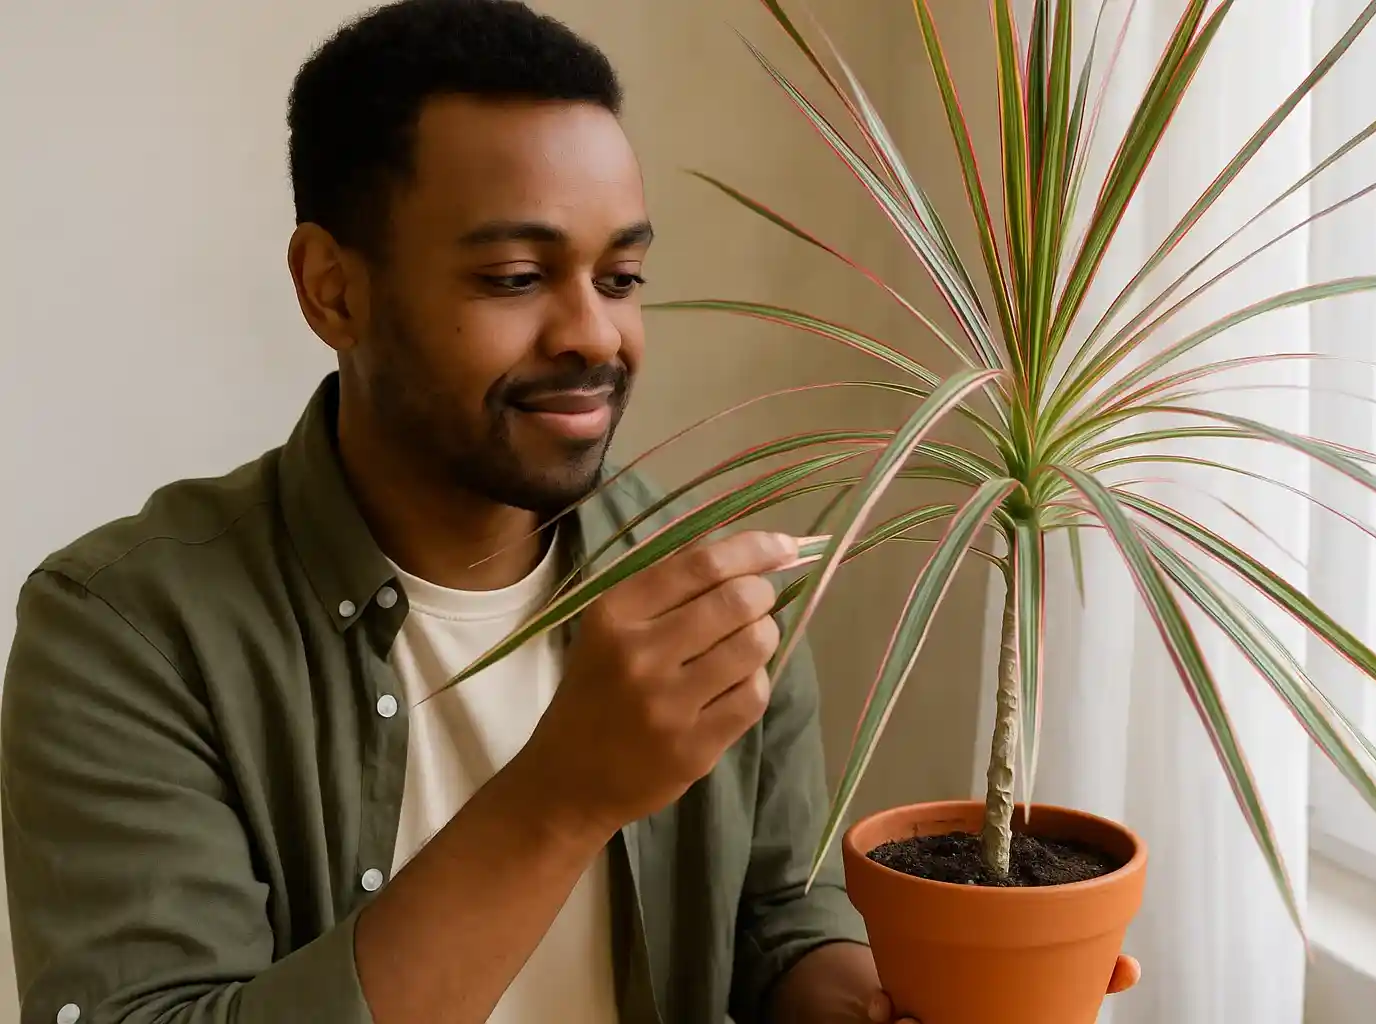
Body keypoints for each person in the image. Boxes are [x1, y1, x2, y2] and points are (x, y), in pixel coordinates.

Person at [0, 1, 922, 1022]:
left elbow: (776, 918)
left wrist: (874, 996)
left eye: (621, 276)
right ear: (332, 290)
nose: (592, 333)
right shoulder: (128, 630)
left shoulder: (705, 585)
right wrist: (564, 793)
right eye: (516, 277)